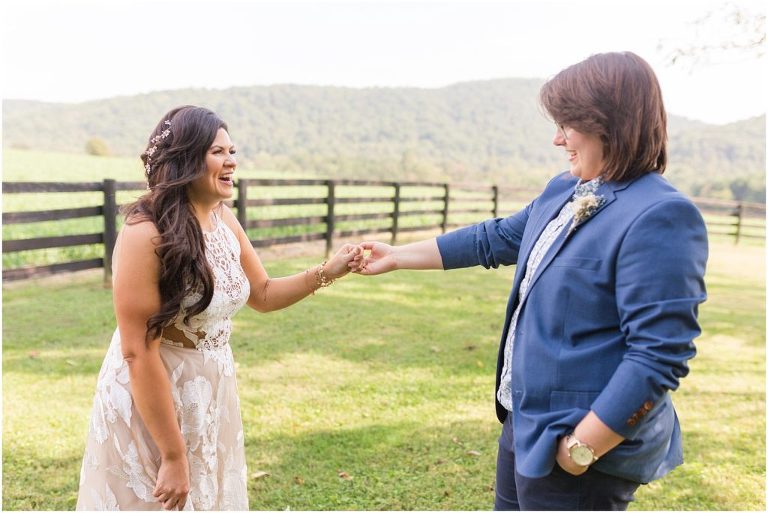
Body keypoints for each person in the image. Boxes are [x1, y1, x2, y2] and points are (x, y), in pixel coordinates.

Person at [350, 52, 708, 510]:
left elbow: (658, 356)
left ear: (607, 123)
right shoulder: (566, 189)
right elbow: (496, 238)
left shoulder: (661, 215)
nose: (558, 139)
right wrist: (398, 256)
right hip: (524, 425)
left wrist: (583, 447)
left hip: (582, 449)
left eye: (567, 125)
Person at [76, 105, 362, 511]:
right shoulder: (145, 233)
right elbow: (138, 351)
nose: (231, 161)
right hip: (154, 393)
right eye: (218, 152)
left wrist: (327, 271)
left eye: (232, 151)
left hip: (211, 391)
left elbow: (262, 293)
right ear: (186, 159)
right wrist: (172, 454)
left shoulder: (223, 219)